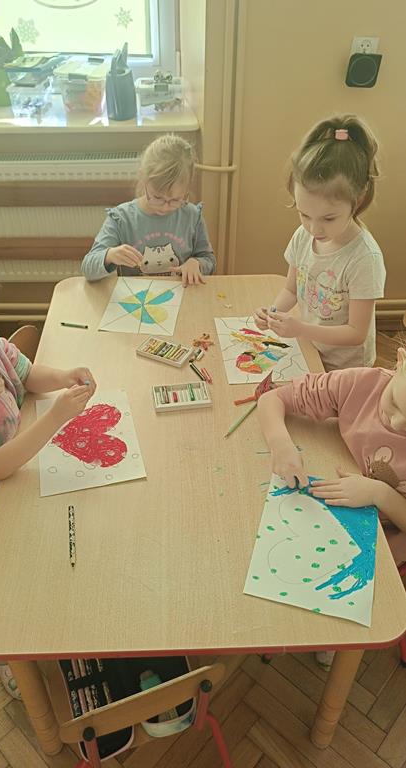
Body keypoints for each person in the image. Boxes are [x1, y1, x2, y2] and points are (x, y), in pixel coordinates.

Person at [0, 252, 96, 697]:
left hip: (23, 480)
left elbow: (26, 374)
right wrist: (57, 417)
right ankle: (11, 653)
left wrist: (64, 376)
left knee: (47, 553)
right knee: (5, 583)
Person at [257, 350, 406, 668]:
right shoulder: (361, 384)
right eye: (395, 404)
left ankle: (332, 638)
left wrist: (379, 493)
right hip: (337, 499)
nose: (397, 423)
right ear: (400, 361)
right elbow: (273, 399)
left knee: (335, 607)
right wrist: (281, 444)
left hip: (389, 535)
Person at [254, 115, 385, 371]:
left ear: (358, 200)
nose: (314, 229)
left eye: (328, 218)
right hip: (311, 352)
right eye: (304, 215)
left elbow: (356, 333)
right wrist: (272, 312)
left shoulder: (364, 259)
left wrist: (301, 328)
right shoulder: (303, 237)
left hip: (346, 369)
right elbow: (291, 290)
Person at [81, 134, 216, 287]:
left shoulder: (192, 216)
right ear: (143, 178)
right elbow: (87, 268)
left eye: (176, 200)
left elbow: (209, 260)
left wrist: (196, 263)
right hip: (136, 296)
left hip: (182, 294)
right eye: (157, 197)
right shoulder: (121, 219)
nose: (165, 206)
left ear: (187, 188)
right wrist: (109, 255)